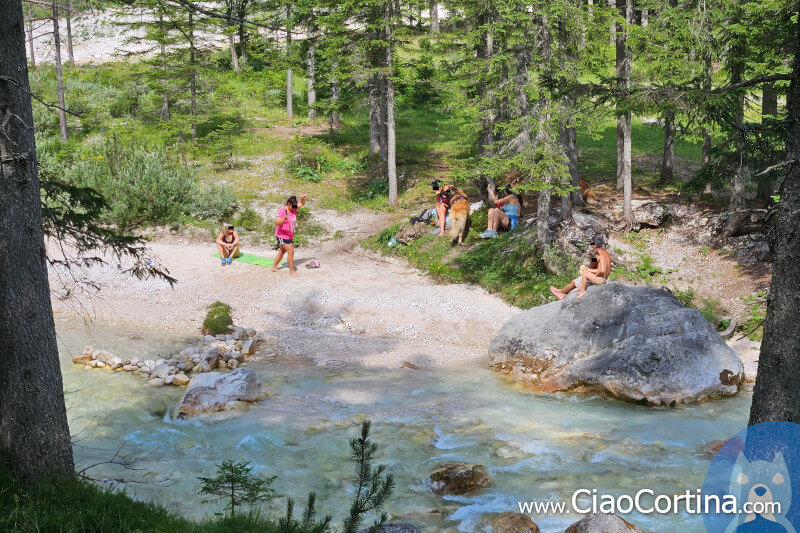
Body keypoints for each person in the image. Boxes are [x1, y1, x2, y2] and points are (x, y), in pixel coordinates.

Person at [550, 235, 611, 300]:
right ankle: (562, 292)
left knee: (574, 282)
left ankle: (561, 293)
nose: (591, 244)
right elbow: (601, 266)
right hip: (606, 277)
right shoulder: (606, 253)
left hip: (600, 278)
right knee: (581, 277)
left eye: (591, 243)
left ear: (595, 245)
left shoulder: (597, 254)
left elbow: (595, 267)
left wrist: (589, 267)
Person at [272, 194, 306, 277]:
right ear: (288, 204)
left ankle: (274, 267)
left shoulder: (293, 207)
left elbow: (302, 204)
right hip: (281, 235)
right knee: (291, 251)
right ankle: (292, 271)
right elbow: (276, 223)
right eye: (291, 206)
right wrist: (284, 219)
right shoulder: (283, 211)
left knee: (282, 251)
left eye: (294, 206)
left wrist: (302, 199)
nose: (293, 207)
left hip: (289, 235)